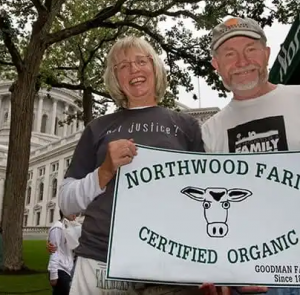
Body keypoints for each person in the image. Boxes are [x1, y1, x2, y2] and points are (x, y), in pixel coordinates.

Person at [58, 36, 205, 295]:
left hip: (171, 260)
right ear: (115, 78)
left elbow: (205, 194)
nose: (134, 69)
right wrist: (104, 172)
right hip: (101, 259)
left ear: (155, 68)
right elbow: (67, 202)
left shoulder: (188, 127)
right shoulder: (98, 128)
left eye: (141, 61)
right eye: (123, 66)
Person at [201, 16, 300, 295]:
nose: (242, 61)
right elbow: (211, 206)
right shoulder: (210, 132)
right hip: (253, 279)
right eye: (230, 54)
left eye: (251, 49)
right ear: (216, 65)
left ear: (266, 54)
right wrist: (220, 271)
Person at [47, 210, 76, 295]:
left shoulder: (70, 228)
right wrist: (53, 275)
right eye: (72, 212)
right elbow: (54, 251)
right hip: (60, 270)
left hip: (68, 270)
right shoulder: (58, 228)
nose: (75, 216)